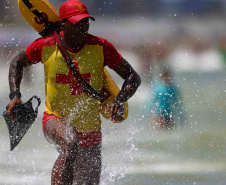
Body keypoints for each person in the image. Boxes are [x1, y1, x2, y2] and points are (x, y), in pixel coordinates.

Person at [6, 0, 141, 184]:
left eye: (86, 22)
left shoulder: (101, 47)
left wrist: (117, 101)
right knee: (70, 144)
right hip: (54, 119)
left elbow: (133, 76)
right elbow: (17, 63)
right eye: (77, 23)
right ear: (62, 25)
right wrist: (15, 96)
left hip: (91, 128)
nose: (83, 27)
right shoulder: (46, 46)